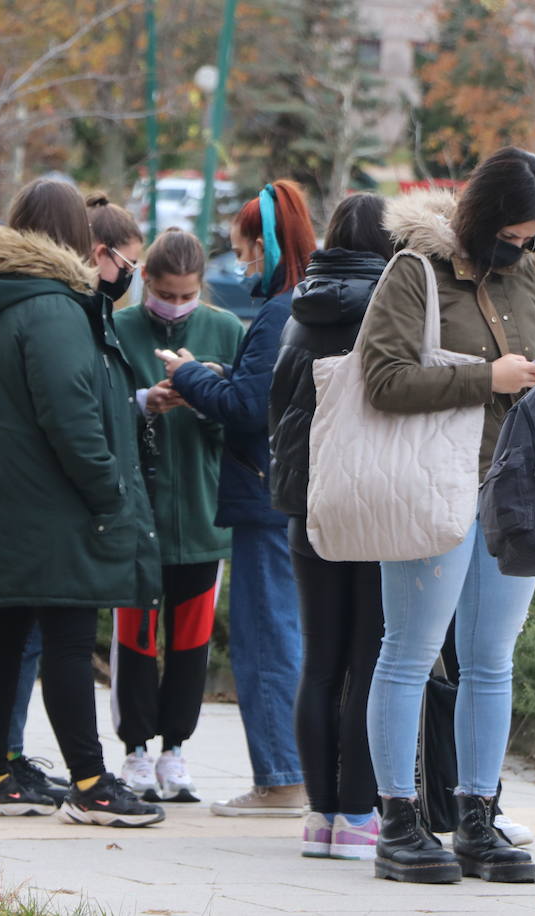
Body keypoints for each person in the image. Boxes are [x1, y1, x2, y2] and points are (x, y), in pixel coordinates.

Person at [0, 178, 164, 827]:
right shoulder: (53, 307)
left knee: (1, 633)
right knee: (66, 637)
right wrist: (109, 492)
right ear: (75, 240)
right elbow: (73, 419)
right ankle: (90, 784)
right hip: (47, 503)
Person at [359, 147, 535, 884]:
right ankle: (399, 821)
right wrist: (487, 377)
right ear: (481, 219)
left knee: (491, 661)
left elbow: (528, 366)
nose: (522, 248)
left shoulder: (528, 276)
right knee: (409, 653)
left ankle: (477, 816)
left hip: (509, 488)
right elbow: (381, 380)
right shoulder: (415, 271)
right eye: (511, 235)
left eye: (533, 236)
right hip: (432, 485)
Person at [156, 179, 313, 817]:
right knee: (295, 636)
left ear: (264, 241)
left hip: (264, 495)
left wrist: (189, 374)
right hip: (301, 497)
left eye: (244, 246)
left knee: (266, 639)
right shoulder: (310, 300)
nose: (240, 258)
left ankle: (280, 778)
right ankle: (299, 773)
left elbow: (251, 409)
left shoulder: (279, 308)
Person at [268, 192, 390, 857]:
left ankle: (320, 817)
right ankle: (359, 813)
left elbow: (278, 406)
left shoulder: (302, 305)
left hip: (307, 503)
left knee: (320, 659)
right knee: (370, 657)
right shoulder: (391, 304)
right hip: (370, 501)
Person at [110, 227, 243, 802]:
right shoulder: (116, 329)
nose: (177, 305)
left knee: (191, 642)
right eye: (167, 293)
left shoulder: (225, 329)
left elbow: (245, 415)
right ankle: (135, 749)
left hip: (202, 511)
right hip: (135, 513)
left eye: (188, 295)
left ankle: (176, 751)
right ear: (146, 282)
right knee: (134, 638)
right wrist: (145, 402)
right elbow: (95, 406)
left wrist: (204, 397)